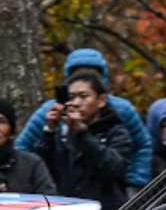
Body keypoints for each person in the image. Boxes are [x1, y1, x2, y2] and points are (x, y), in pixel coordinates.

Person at [14, 48, 153, 190]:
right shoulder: (50, 111)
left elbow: (142, 145)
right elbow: (23, 148)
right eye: (78, 73)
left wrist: (135, 183)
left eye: (92, 73)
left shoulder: (122, 110)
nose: (77, 103)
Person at [30, 72, 131, 210]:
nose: (76, 103)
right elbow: (44, 168)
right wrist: (49, 131)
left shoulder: (116, 133)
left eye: (84, 96)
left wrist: (83, 134)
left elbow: (112, 169)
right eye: (71, 98)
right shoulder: (63, 134)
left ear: (101, 101)